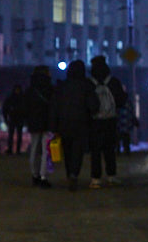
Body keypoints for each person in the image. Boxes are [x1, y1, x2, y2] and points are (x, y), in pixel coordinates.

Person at [49, 59, 99, 191]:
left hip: (64, 124)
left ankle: (69, 173)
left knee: (67, 150)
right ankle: (74, 174)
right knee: (78, 150)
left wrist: (54, 126)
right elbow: (93, 105)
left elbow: (55, 107)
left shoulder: (62, 87)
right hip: (81, 123)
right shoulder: (86, 86)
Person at [88, 55, 128, 188]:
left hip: (94, 121)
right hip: (110, 120)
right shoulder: (113, 81)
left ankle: (95, 178)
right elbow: (121, 101)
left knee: (95, 151)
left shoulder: (89, 83)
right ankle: (111, 175)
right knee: (109, 149)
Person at [25, 66, 54, 188]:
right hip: (47, 123)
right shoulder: (50, 89)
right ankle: (43, 176)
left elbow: (25, 107)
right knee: (45, 151)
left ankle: (34, 174)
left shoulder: (30, 90)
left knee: (34, 149)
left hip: (33, 123)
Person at [2, 85, 26, 154]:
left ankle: (14, 149)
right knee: (15, 135)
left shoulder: (12, 98)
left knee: (14, 135)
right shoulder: (21, 98)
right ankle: (14, 150)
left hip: (15, 118)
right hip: (16, 118)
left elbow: (5, 108)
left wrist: (6, 118)